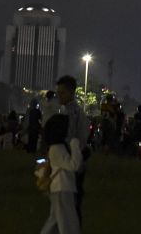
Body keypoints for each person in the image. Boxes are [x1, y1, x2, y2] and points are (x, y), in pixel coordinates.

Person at [55, 75, 90, 225]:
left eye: (62, 92)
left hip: (72, 162)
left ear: (71, 92)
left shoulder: (71, 113)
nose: (59, 96)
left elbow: (74, 139)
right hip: (75, 161)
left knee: (70, 205)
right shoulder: (75, 111)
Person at [40, 113, 83, 234]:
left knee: (54, 222)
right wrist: (75, 144)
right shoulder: (57, 148)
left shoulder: (56, 147)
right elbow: (73, 165)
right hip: (62, 188)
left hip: (60, 188)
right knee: (68, 224)